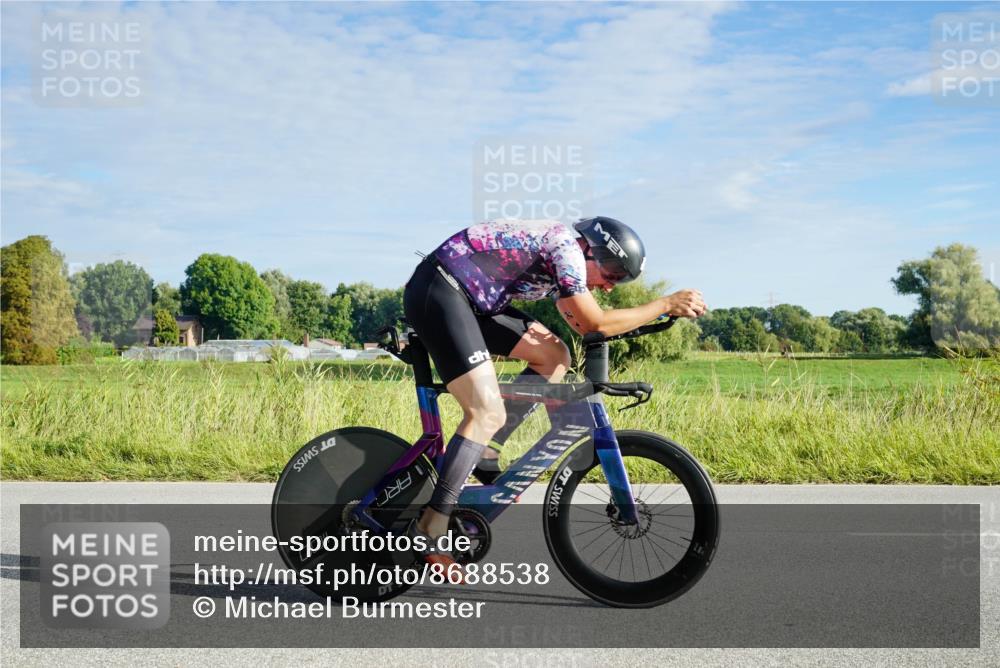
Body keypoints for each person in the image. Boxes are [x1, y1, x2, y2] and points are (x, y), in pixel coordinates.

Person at [402, 217, 707, 574]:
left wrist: (633, 322)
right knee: (486, 412)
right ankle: (431, 524)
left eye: (619, 280)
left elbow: (583, 325)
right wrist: (665, 304)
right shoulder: (565, 249)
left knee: (555, 356)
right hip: (441, 291)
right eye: (612, 273)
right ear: (592, 250)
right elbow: (595, 322)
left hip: (472, 301)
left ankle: (487, 450)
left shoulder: (565, 260)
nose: (611, 286)